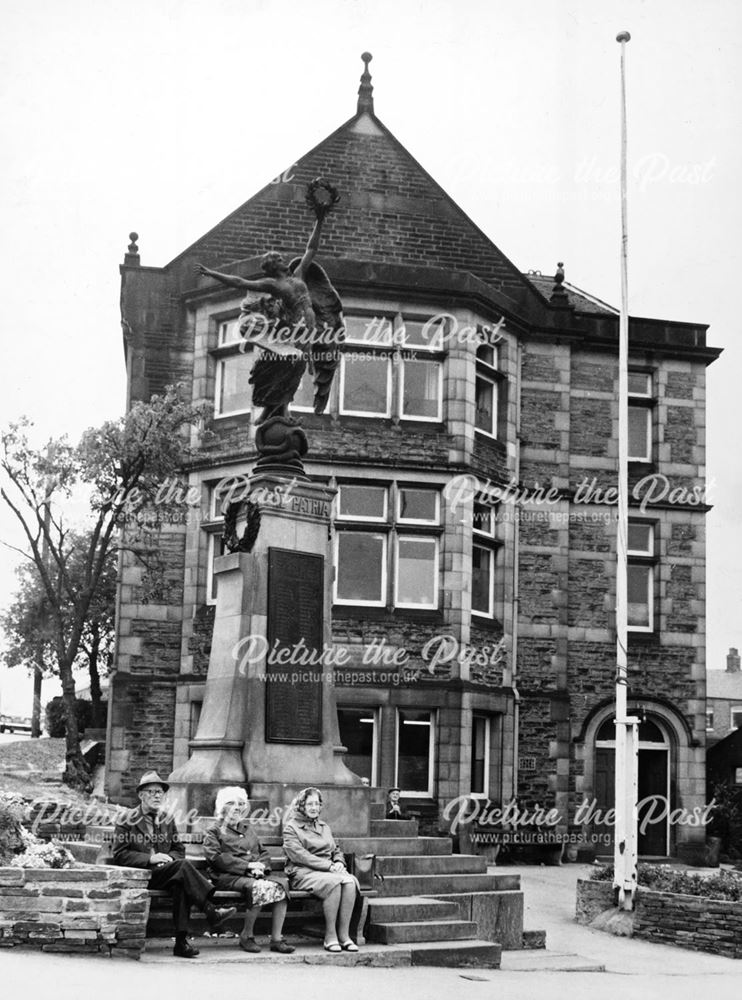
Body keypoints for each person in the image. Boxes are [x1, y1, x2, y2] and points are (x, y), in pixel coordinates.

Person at [112, 771, 236, 958]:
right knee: (182, 868)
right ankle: (210, 910)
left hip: (167, 872)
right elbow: (120, 854)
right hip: (141, 875)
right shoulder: (126, 819)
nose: (156, 796)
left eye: (160, 792)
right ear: (141, 795)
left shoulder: (167, 819)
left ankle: (181, 943)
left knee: (181, 883)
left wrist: (168, 858)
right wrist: (150, 859)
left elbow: (179, 849)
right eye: (151, 792)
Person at [203, 786, 294, 954]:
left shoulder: (248, 829)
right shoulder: (214, 830)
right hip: (226, 877)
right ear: (222, 808)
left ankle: (276, 939)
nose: (237, 808)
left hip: (252, 876)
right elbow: (214, 857)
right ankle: (247, 935)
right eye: (231, 803)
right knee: (259, 887)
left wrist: (261, 868)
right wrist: (247, 867)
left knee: (282, 885)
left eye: (240, 804)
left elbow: (263, 853)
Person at [282, 786, 360, 952]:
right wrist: (329, 866)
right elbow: (300, 856)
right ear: (301, 806)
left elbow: (336, 848)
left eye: (317, 804)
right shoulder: (291, 827)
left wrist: (339, 862)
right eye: (310, 804)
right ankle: (330, 935)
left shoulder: (324, 826)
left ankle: (344, 935)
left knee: (350, 881)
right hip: (302, 872)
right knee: (335, 882)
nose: (314, 808)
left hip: (328, 871)